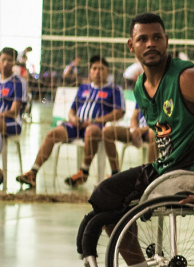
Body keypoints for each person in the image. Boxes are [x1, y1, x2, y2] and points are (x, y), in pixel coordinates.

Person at [73, 12, 194, 267]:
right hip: (168, 169)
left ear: (166, 41)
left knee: (109, 201)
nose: (150, 43)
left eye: (156, 37)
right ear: (131, 46)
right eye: (143, 39)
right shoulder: (141, 86)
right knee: (104, 198)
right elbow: (163, 137)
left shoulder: (188, 78)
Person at [17, 55, 125, 189]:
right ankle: (33, 173)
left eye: (101, 69)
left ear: (107, 71)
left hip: (96, 126)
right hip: (76, 126)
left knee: (92, 130)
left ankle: (83, 171)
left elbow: (118, 112)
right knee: (52, 134)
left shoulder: (114, 89)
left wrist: (94, 120)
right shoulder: (84, 88)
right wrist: (73, 119)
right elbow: (72, 109)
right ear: (90, 71)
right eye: (94, 68)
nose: (97, 72)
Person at [1, 47, 29, 186]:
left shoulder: (19, 82)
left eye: (9, 60)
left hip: (12, 123)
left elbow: (14, 112)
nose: (6, 63)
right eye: (3, 59)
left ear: (14, 63)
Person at [100, 107, 157, 174]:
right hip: (136, 130)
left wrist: (142, 130)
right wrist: (134, 130)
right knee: (107, 132)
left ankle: (151, 173)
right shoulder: (141, 100)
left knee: (153, 133)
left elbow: (160, 121)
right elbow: (134, 117)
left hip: (150, 131)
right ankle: (115, 172)